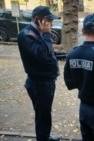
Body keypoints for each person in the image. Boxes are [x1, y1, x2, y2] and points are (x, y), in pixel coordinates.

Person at [17, 6, 61, 141]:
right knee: (43, 116)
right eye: (48, 20)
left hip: (45, 82)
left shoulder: (37, 32)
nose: (51, 24)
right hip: (39, 84)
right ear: (38, 20)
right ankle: (43, 138)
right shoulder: (27, 35)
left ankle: (44, 137)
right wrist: (47, 34)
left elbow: (47, 53)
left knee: (44, 115)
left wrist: (62, 55)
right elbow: (41, 54)